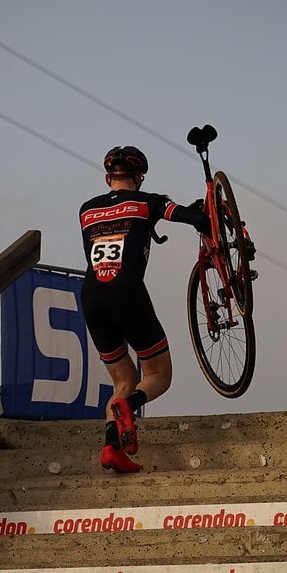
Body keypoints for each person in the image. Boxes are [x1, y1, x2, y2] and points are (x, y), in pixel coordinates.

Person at [79, 145, 208, 473]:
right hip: (127, 292)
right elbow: (190, 217)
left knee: (122, 379)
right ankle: (130, 405)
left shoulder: (86, 210)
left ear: (109, 176)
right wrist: (199, 216)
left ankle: (111, 449)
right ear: (138, 176)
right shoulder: (147, 201)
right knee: (158, 375)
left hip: (92, 296)